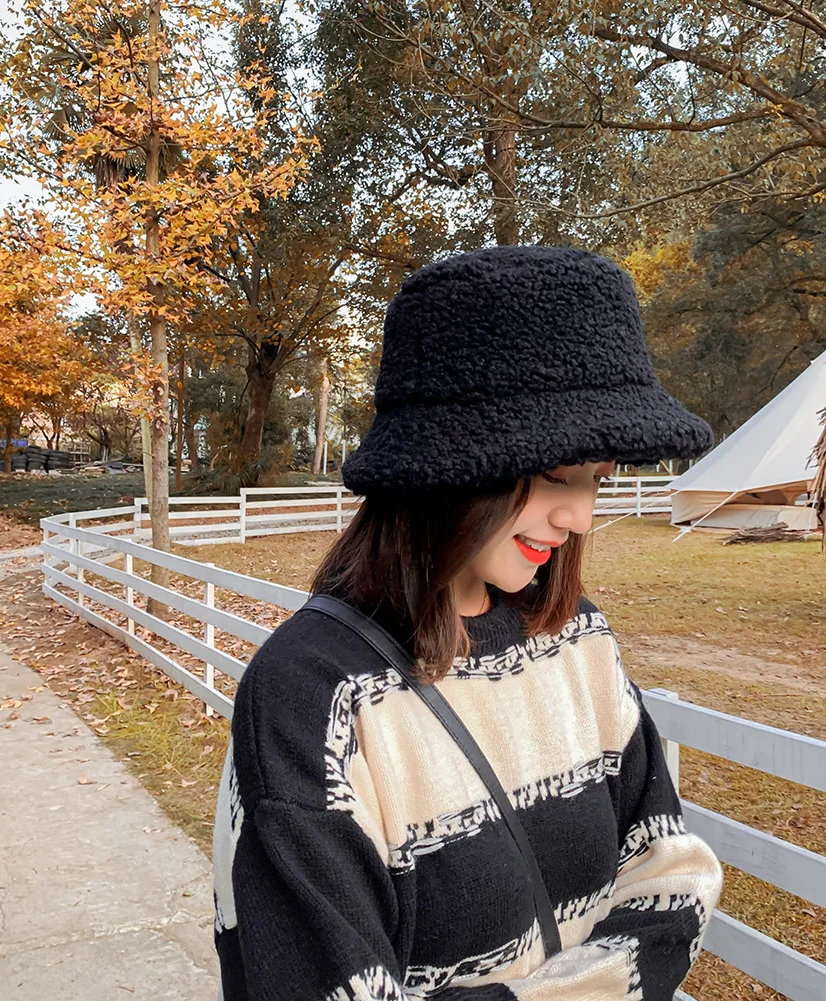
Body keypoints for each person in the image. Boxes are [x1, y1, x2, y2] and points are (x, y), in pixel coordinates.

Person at [213, 245, 723, 1000]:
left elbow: (672, 874)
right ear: (450, 462)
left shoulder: (578, 640)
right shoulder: (310, 697)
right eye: (558, 474)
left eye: (597, 478)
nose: (580, 516)